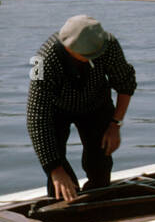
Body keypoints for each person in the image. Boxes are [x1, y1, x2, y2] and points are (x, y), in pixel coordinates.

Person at [27, 15, 136, 202]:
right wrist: (55, 169)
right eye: (87, 56)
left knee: (100, 163)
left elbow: (126, 84)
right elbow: (36, 116)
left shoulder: (107, 44)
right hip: (55, 110)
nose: (94, 58)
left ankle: (99, 201)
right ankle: (63, 203)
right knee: (58, 175)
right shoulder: (40, 60)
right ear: (69, 48)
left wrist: (115, 124)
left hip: (96, 104)